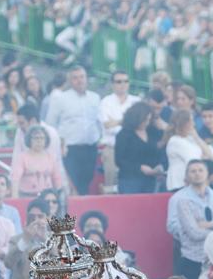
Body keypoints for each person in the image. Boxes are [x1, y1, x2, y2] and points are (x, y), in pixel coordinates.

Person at [44, 66, 102, 195]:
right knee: (73, 184)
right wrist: (59, 144)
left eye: (82, 77)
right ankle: (75, 211)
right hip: (69, 149)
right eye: (75, 78)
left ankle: (82, 209)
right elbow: (50, 124)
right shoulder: (61, 99)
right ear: (69, 81)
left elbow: (99, 121)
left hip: (90, 147)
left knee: (87, 180)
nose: (79, 80)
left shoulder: (95, 98)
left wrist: (99, 138)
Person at [168, 160, 213, 279]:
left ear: (207, 174)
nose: (197, 174)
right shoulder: (179, 198)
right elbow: (174, 226)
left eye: (200, 170)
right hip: (192, 255)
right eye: (193, 171)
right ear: (187, 175)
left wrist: (206, 224)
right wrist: (189, 230)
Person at [5, 200, 49, 279]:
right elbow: (8, 263)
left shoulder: (54, 241)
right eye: (32, 217)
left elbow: (62, 264)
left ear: (47, 218)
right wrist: (25, 240)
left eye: (40, 216)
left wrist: (45, 240)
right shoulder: (17, 240)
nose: (36, 220)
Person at [115, 102, 165, 194]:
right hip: (129, 180)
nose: (146, 123)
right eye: (144, 120)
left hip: (150, 179)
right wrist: (139, 167)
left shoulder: (152, 132)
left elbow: (160, 150)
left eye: (149, 120)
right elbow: (119, 160)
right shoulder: (123, 135)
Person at [10, 125, 67, 197]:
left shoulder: (51, 157)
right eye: (36, 138)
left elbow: (57, 179)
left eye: (42, 138)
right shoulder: (22, 157)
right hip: (26, 196)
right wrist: (15, 198)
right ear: (29, 140)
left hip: (47, 197)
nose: (39, 141)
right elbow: (15, 179)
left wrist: (59, 196)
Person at [164, 109, 211, 191]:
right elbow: (194, 161)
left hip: (194, 185)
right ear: (184, 123)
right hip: (180, 185)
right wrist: (203, 156)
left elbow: (211, 156)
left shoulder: (191, 138)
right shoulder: (175, 141)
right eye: (191, 121)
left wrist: (197, 137)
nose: (194, 124)